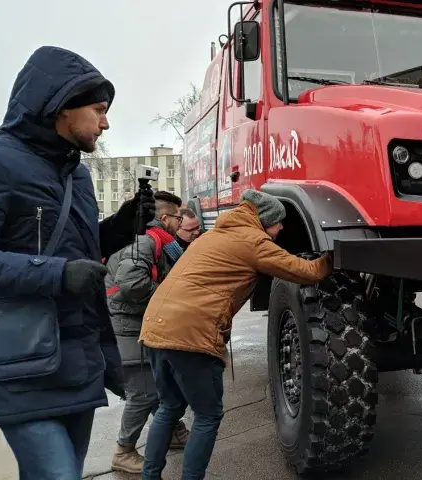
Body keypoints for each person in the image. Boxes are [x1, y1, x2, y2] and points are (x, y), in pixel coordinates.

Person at [0, 45, 155, 478]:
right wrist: (57, 275)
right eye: (98, 109)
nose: (106, 121)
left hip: (78, 359)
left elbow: (75, 251)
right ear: (60, 105)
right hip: (21, 362)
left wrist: (118, 227)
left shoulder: (78, 173)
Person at [138, 189, 333, 480]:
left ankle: (149, 476)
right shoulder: (253, 241)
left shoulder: (213, 236)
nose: (281, 228)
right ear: (264, 220)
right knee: (207, 415)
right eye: (278, 222)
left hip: (155, 327)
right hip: (188, 335)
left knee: (170, 406)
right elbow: (306, 270)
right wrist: (335, 257)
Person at [105, 190, 191, 474]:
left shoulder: (157, 241)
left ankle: (174, 432)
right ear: (165, 218)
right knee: (143, 391)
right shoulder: (145, 240)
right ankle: (123, 450)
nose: (181, 222)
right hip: (126, 324)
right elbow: (131, 283)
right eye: (178, 217)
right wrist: (167, 299)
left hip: (135, 321)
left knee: (158, 382)